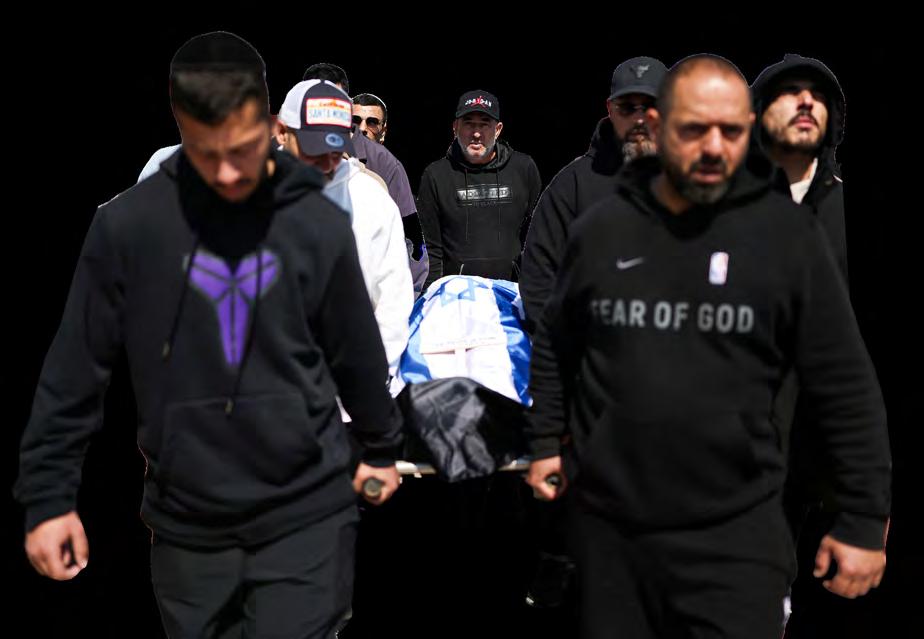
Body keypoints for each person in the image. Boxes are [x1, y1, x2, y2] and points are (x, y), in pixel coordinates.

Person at [16, 31, 402, 638]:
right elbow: (76, 367)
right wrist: (49, 497)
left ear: (267, 121)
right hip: (190, 516)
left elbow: (360, 346)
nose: (226, 167)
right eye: (208, 143)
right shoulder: (130, 222)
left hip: (302, 506)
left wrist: (378, 443)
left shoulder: (317, 217)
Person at [525, 54, 890, 638]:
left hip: (736, 533)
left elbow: (845, 381)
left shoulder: (787, 237)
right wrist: (546, 439)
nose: (714, 147)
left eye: (731, 130)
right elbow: (554, 339)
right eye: (696, 128)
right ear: (663, 126)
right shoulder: (603, 229)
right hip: (614, 531)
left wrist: (865, 514)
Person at [418, 89, 541, 290]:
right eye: (469, 123)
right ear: (455, 127)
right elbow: (432, 250)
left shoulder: (524, 168)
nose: (476, 133)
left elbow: (535, 237)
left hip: (511, 292)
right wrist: (429, 294)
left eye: (484, 124)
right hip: (456, 295)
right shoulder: (435, 175)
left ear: (498, 129)